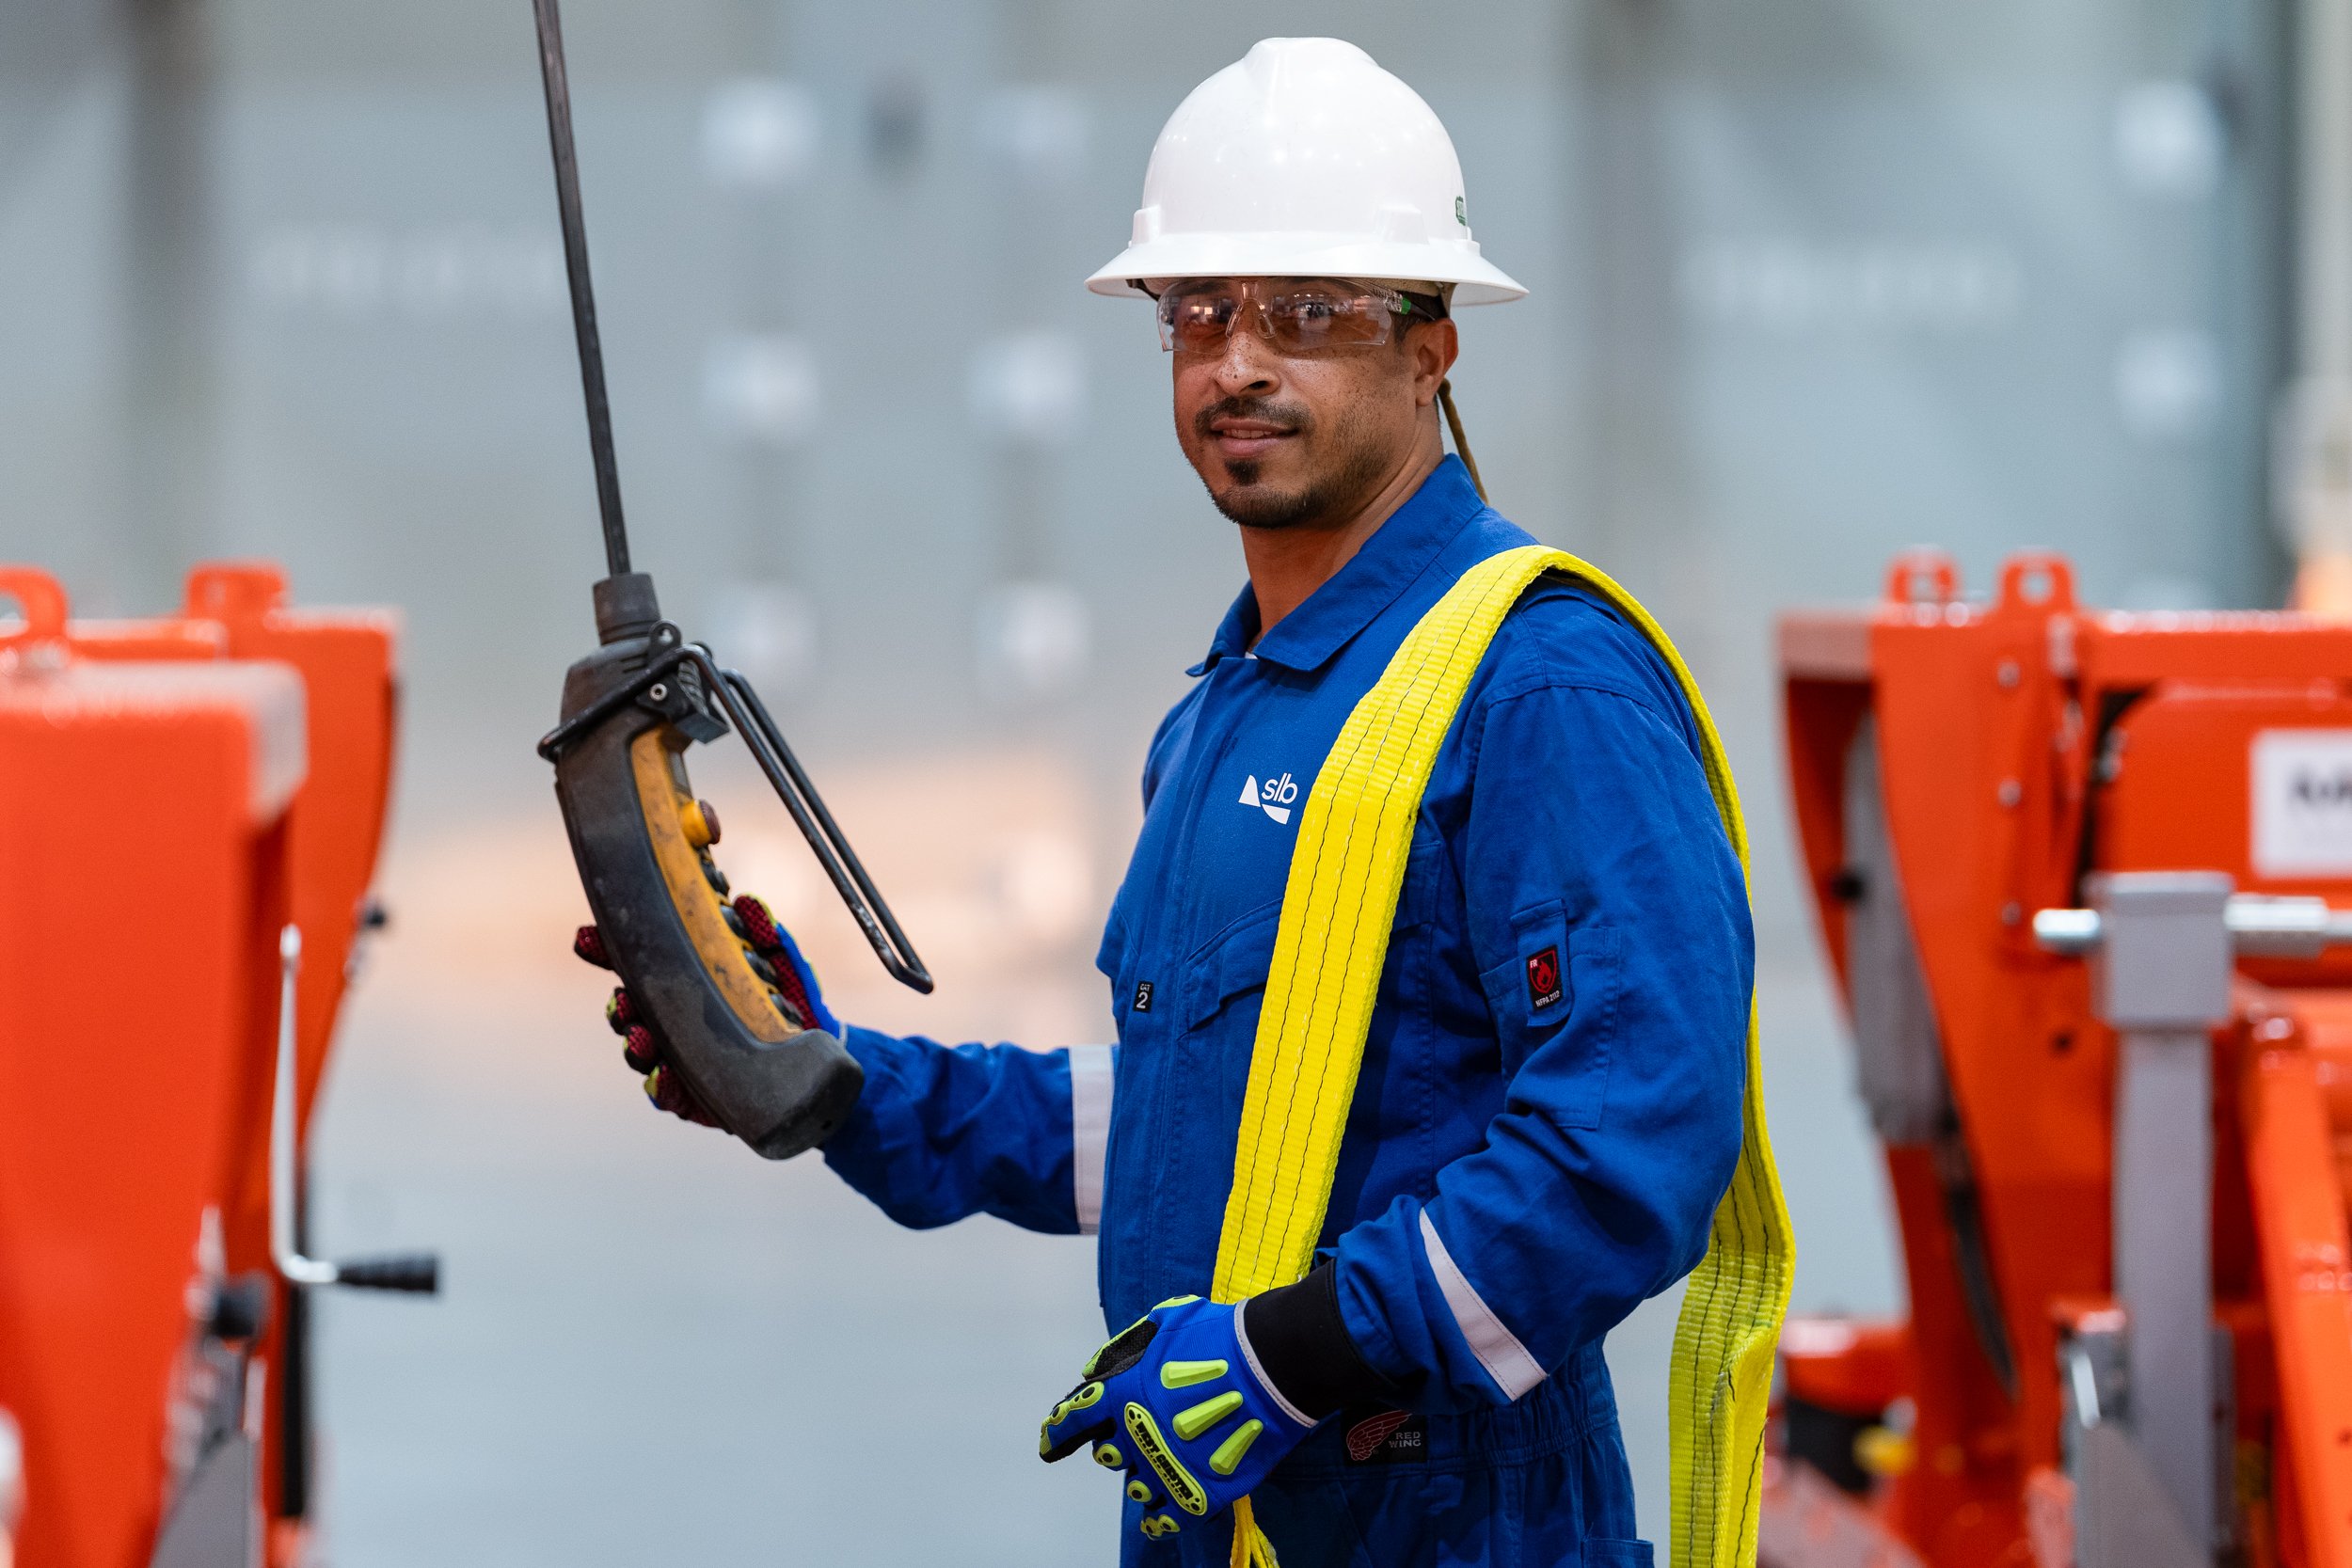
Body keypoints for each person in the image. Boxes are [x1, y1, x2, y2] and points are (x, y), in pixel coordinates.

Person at [579, 37, 1777, 1568]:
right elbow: (1188, 1114)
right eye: (1201, 311)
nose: (1240, 362)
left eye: (1312, 314)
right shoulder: (1227, 709)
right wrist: (846, 1088)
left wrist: (1300, 1350)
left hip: (1457, 1522)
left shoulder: (1538, 687)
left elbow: (1635, 1141)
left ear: (1434, 347)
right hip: (1228, 1523)